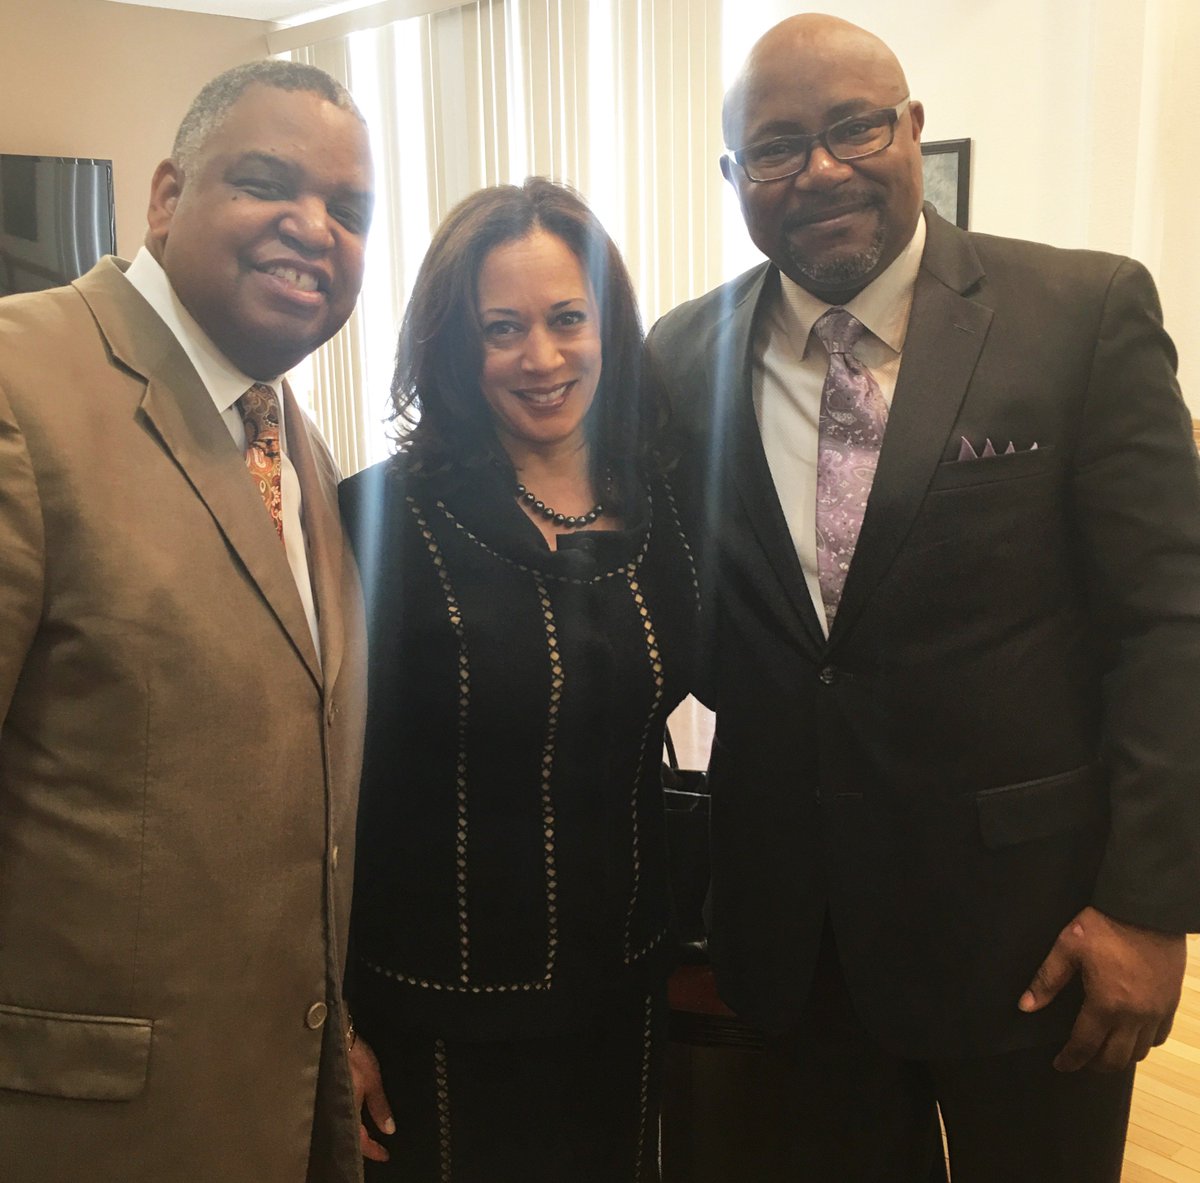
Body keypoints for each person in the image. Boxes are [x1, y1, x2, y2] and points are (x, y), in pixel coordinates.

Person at [645, 13, 1200, 1182]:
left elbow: (1172, 625)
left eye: (854, 128)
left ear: (912, 130)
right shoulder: (680, 357)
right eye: (778, 147)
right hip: (795, 948)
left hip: (1037, 938)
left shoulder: (1082, 314)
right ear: (735, 176)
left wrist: (1150, 909)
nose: (821, 169)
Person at [0, 61, 373, 1182]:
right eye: (267, 183)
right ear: (167, 196)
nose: (313, 228)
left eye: (349, 208)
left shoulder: (287, 432)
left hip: (272, 1110)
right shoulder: (22, 382)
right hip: (82, 1130)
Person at [339, 177, 697, 1182]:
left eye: (567, 318)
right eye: (502, 328)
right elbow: (306, 801)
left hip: (625, 993)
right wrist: (334, 1024)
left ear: (608, 327)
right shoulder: (377, 520)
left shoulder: (667, 507)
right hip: (431, 1015)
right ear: (457, 347)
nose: (542, 357)